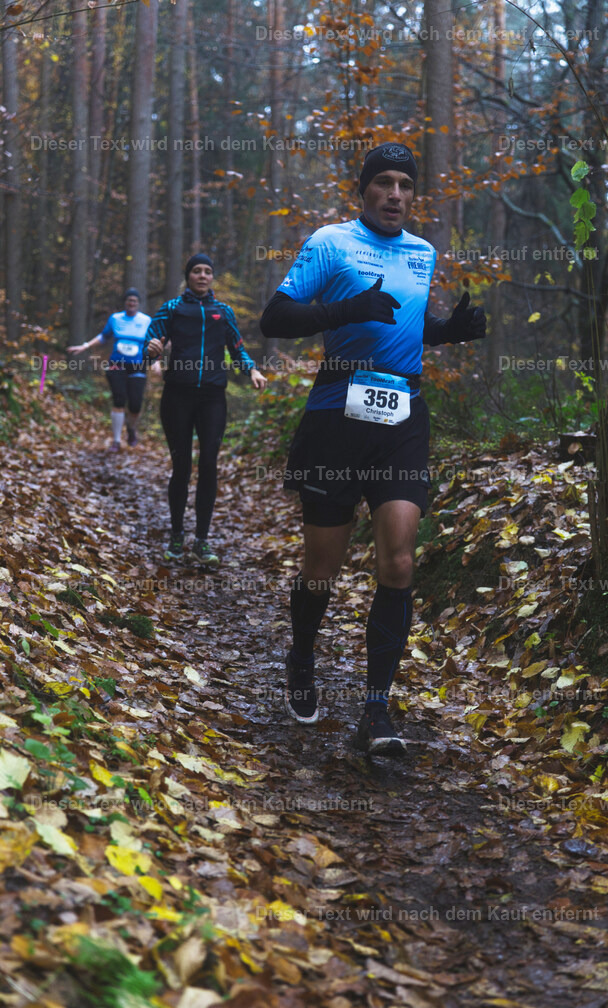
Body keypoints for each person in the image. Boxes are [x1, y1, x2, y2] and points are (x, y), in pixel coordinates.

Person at [259, 142, 486, 755]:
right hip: (337, 416)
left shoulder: (422, 253)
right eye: (382, 182)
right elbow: (273, 319)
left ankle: (377, 709)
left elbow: (404, 326)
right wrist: (344, 307)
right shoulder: (331, 243)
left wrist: (448, 332)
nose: (394, 194)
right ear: (364, 191)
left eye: (405, 185)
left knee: (400, 561)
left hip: (403, 419)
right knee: (322, 567)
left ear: (414, 195)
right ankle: (302, 655)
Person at [144, 254, 267, 568]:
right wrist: (151, 351)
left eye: (208, 271)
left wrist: (251, 370)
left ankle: (201, 539)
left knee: (209, 463)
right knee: (181, 465)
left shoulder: (222, 312)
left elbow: (237, 346)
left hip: (213, 396)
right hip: (177, 396)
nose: (202, 275)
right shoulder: (172, 308)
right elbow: (150, 341)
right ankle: (176, 536)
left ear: (212, 277)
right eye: (196, 271)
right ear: (188, 276)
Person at [68, 288, 151, 453]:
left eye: (135, 301)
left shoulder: (146, 320)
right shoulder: (116, 319)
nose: (131, 303)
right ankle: (116, 440)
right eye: (129, 300)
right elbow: (103, 337)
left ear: (138, 304)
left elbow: (153, 341)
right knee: (118, 400)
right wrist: (85, 346)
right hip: (116, 365)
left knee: (135, 405)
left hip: (138, 366)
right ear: (125, 303)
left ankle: (131, 428)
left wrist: (156, 360)